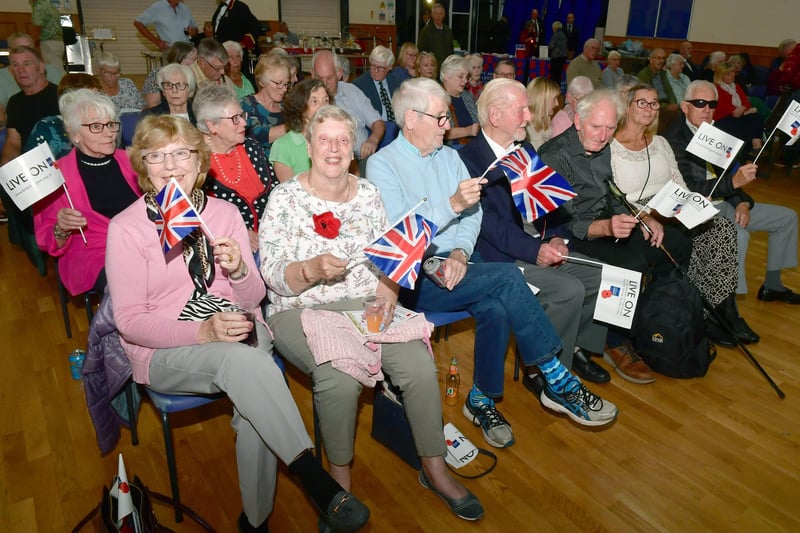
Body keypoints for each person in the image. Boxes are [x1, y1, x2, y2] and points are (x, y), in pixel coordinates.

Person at [106, 114, 369, 533]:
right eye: (157, 156)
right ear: (142, 165)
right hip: (166, 349)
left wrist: (242, 272)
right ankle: (310, 475)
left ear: (200, 161)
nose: (171, 165)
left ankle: (256, 519)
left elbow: (254, 300)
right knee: (247, 365)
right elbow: (131, 322)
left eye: (181, 153)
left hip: (237, 331)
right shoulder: (128, 228)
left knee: (251, 403)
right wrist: (203, 331)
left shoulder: (224, 214)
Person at [259, 104, 484, 522]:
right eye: (324, 139)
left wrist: (387, 289)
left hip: (366, 304)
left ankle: (434, 469)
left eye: (343, 140)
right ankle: (337, 487)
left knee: (418, 363)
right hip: (301, 308)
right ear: (308, 146)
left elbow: (391, 257)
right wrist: (310, 269)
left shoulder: (367, 194)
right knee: (339, 377)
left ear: (354, 149)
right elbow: (273, 276)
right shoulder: (286, 198)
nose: (334, 148)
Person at [368, 78, 619, 443]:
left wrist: (459, 252)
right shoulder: (382, 165)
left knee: (497, 307)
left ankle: (481, 398)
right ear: (410, 118)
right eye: (440, 118)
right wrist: (452, 206)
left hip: (459, 263)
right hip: (410, 276)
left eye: (446, 118)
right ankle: (555, 375)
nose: (447, 126)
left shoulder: (449, 156)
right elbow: (402, 238)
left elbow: (473, 218)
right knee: (505, 279)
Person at [460, 78, 611, 385]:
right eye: (522, 110)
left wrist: (557, 235)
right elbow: (489, 226)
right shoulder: (468, 159)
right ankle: (542, 367)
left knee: (600, 275)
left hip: (538, 241)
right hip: (501, 257)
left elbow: (548, 202)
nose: (529, 117)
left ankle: (573, 347)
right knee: (570, 290)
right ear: (495, 116)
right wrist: (535, 250)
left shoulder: (524, 148)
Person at [538, 89, 692, 383]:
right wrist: (608, 227)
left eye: (610, 128)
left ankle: (651, 320)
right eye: (597, 127)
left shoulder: (602, 145)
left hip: (605, 222)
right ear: (579, 121)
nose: (603, 135)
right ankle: (614, 338)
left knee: (676, 245)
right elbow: (562, 221)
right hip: (570, 233)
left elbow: (612, 194)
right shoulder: (554, 156)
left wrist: (643, 216)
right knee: (630, 263)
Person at [611, 84, 757, 345]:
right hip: (638, 212)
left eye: (654, 103)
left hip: (671, 205)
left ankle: (718, 311)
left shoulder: (661, 142)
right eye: (642, 102)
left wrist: (692, 201)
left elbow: (679, 183)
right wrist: (647, 214)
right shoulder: (611, 145)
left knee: (721, 228)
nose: (649, 108)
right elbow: (613, 194)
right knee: (701, 236)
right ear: (627, 106)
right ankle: (706, 313)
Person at [665, 80, 800, 305]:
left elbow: (727, 176)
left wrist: (742, 202)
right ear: (684, 106)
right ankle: (727, 306)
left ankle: (773, 286)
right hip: (698, 211)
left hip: (725, 202)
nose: (707, 109)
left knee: (787, 218)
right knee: (740, 235)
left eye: (712, 103)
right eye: (699, 103)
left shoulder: (714, 133)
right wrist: (734, 185)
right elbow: (690, 190)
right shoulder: (674, 139)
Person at [33, 89, 140, 296]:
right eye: (96, 126)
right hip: (93, 251)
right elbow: (46, 238)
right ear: (74, 134)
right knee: (131, 284)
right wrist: (61, 227)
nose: (109, 132)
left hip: (141, 242)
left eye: (111, 124)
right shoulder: (55, 175)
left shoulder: (132, 160)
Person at [195, 84, 277, 252]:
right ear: (211, 126)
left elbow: (276, 191)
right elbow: (196, 216)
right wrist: (238, 232)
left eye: (242, 115)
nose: (244, 123)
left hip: (271, 238)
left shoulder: (251, 147)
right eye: (235, 118)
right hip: (227, 247)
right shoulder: (196, 162)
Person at [311, 49, 384, 175]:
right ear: (312, 74)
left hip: (360, 158)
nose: (324, 84)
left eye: (329, 77)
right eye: (319, 78)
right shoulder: (307, 98)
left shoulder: (353, 92)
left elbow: (377, 122)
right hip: (326, 160)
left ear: (339, 73)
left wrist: (373, 140)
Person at [26, 73, 103, 160]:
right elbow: (36, 166)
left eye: (99, 97)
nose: (98, 103)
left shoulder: (102, 125)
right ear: (70, 99)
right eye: (91, 97)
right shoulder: (48, 127)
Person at [269, 79, 331, 182]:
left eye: (326, 100)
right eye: (315, 101)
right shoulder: (283, 145)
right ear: (301, 108)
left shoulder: (335, 139)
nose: (323, 107)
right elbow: (290, 190)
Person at [0, 32, 63, 116]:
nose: (27, 53)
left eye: (30, 48)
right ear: (10, 52)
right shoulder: (3, 79)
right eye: (20, 49)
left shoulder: (52, 71)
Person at [240, 54, 289, 156]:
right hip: (258, 164)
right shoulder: (247, 105)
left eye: (286, 84)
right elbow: (259, 136)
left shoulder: (286, 106)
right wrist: (295, 126)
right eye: (279, 83)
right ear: (262, 82)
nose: (284, 89)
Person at [713, 61, 764, 153]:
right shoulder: (716, 88)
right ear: (720, 75)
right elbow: (721, 107)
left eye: (733, 72)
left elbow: (746, 103)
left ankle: (757, 146)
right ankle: (750, 152)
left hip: (739, 115)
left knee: (756, 117)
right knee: (745, 125)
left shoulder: (736, 86)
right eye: (728, 73)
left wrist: (743, 111)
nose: (732, 75)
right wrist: (739, 111)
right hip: (723, 119)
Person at [141, 41, 197, 109]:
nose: (197, 62)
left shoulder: (190, 74)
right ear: (181, 58)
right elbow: (152, 105)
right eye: (194, 59)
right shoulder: (157, 75)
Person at [352, 46, 400, 122]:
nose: (375, 70)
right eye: (373, 66)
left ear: (389, 67)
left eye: (380, 67)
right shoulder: (358, 85)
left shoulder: (396, 82)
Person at [440, 55, 479, 147]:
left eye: (466, 77)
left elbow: (477, 122)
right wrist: (466, 131)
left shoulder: (466, 96)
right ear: (446, 76)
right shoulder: (437, 97)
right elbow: (439, 130)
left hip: (471, 145)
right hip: (448, 148)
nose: (465, 80)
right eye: (460, 76)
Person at [417, 3, 453, 75]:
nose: (438, 16)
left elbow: (451, 49)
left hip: (446, 68)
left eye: (440, 14)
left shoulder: (448, 30)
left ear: (444, 15)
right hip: (432, 69)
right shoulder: (426, 31)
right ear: (432, 15)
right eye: (436, 13)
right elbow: (420, 50)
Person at [525, 76, 561, 149]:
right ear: (542, 100)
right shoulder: (524, 126)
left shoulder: (546, 123)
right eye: (554, 99)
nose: (557, 103)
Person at [29, 0, 64, 74]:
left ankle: (64, 85)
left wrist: (32, 43)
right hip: (59, 41)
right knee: (58, 68)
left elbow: (37, 26)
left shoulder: (38, 4)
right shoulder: (50, 5)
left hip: (48, 42)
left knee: (53, 70)